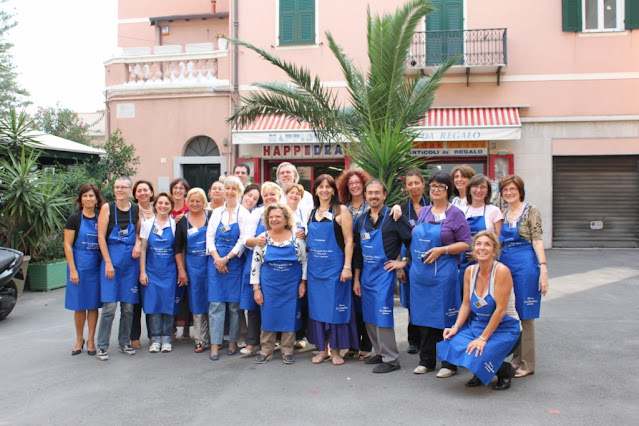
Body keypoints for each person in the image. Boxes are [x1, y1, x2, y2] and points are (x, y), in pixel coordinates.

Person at [438, 231, 521, 390]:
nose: (482, 248)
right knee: (452, 343)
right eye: (479, 244)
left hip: (505, 327)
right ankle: (480, 370)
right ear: (473, 249)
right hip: (479, 324)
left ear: (494, 251)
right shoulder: (470, 271)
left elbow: (501, 310)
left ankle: (504, 371)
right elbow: (466, 304)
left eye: (487, 245)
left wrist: (483, 338)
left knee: (478, 350)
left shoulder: (501, 271)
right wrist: (455, 327)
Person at [409, 171, 471, 378]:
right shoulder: (424, 212)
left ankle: (449, 363)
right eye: (434, 186)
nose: (436, 190)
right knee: (424, 318)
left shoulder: (456, 214)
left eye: (441, 187)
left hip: (444, 274)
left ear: (448, 190)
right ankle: (426, 360)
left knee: (445, 317)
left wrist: (442, 250)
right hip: (421, 274)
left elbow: (466, 243)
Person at [353, 179, 412, 373]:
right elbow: (358, 254)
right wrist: (356, 279)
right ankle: (378, 351)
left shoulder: (394, 217)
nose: (373, 196)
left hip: (384, 275)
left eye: (377, 192)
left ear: (384, 195)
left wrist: (404, 261)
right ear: (365, 195)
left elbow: (412, 239)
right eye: (370, 193)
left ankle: (391, 358)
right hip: (366, 275)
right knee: (369, 315)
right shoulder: (361, 220)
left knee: (383, 315)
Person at [499, 174, 549, 378]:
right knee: (511, 313)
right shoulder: (504, 213)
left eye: (513, 189)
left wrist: (543, 269)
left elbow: (537, 240)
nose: (509, 193)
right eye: (505, 190)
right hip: (506, 264)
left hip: (526, 265)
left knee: (526, 314)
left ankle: (528, 363)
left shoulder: (531, 210)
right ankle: (516, 360)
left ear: (520, 191)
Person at [306, 175, 357, 365]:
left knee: (335, 309)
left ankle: (336, 350)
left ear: (334, 190)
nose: (324, 190)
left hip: (336, 269)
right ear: (316, 190)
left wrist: (347, 267)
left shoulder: (341, 210)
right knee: (318, 310)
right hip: (315, 271)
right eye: (321, 187)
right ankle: (322, 349)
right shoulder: (312, 213)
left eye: (328, 187)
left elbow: (349, 241)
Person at [250, 204, 308, 364]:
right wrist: (256, 289)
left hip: (291, 286)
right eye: (271, 217)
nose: (274, 219)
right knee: (268, 317)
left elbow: (304, 262)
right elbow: (255, 266)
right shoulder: (262, 239)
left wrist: (303, 283)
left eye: (278, 216)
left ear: (286, 219)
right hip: (269, 287)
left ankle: (287, 350)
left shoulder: (297, 238)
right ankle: (266, 350)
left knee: (289, 317)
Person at [206, 177, 251, 360]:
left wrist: (227, 258)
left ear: (240, 192)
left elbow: (243, 239)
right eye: (228, 188)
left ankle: (233, 341)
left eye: (234, 188)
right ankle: (215, 344)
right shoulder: (217, 212)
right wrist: (218, 259)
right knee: (216, 305)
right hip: (216, 264)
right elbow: (209, 236)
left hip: (234, 263)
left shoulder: (244, 213)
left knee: (234, 306)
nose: (230, 191)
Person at [96, 177, 140, 361]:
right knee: (109, 308)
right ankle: (102, 346)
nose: (119, 190)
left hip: (130, 265)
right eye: (117, 187)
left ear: (130, 190)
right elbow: (100, 237)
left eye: (123, 187)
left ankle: (124, 342)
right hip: (111, 264)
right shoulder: (108, 208)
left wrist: (137, 243)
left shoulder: (136, 209)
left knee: (128, 308)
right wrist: (107, 262)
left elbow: (138, 232)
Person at [390, 169, 431, 355]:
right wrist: (400, 266)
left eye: (417, 182)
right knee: (413, 302)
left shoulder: (433, 204)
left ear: (423, 183)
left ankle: (431, 338)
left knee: (431, 300)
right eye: (410, 183)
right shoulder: (400, 209)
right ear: (405, 187)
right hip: (409, 262)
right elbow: (396, 240)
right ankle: (413, 339)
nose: (414, 187)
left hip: (431, 259)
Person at [240, 182, 282, 356]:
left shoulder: (285, 212)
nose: (269, 197)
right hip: (257, 263)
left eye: (273, 194)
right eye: (266, 195)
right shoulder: (256, 214)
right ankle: (252, 342)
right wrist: (256, 241)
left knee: (278, 302)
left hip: (279, 265)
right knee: (254, 304)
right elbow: (246, 240)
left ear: (279, 196)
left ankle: (278, 340)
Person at [64, 183, 105, 356]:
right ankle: (79, 338)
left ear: (97, 200)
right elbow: (67, 244)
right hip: (78, 266)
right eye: (85, 196)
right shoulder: (74, 219)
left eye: (91, 196)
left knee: (93, 305)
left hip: (96, 267)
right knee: (79, 306)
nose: (88, 199)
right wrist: (73, 269)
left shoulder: (101, 219)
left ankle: (91, 340)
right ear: (81, 199)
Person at [336, 169, 373, 360]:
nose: (355, 185)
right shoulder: (342, 207)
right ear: (345, 187)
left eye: (358, 182)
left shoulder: (373, 205)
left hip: (369, 259)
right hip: (347, 259)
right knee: (350, 303)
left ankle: (366, 343)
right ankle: (353, 343)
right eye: (351, 183)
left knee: (363, 303)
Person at [139, 193, 179, 353]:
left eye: (166, 204)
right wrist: (142, 272)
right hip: (152, 271)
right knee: (153, 305)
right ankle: (155, 339)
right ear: (155, 205)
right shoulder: (147, 224)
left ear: (171, 207)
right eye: (160, 203)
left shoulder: (175, 225)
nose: (163, 206)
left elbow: (178, 250)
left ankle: (167, 338)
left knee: (168, 306)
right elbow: (142, 249)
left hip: (170, 272)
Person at [175, 188, 212, 353]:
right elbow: (177, 248)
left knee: (213, 301)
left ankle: (214, 338)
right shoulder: (182, 221)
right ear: (187, 202)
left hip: (211, 265)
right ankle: (200, 339)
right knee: (197, 303)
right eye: (192, 201)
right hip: (193, 267)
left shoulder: (212, 217)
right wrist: (181, 270)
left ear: (204, 202)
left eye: (198, 201)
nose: (195, 204)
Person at [458, 174, 504, 296]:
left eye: (483, 187)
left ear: (488, 191)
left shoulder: (493, 211)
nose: (479, 190)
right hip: (464, 261)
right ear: (469, 189)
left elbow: (499, 240)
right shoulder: (461, 211)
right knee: (465, 297)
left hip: (486, 262)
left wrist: (479, 254)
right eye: (475, 186)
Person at [130, 179, 155, 349]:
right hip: (136, 256)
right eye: (139, 191)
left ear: (151, 192)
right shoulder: (131, 210)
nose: (143, 193)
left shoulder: (160, 208)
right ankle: (134, 335)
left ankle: (154, 334)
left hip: (156, 259)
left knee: (152, 297)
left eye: (145, 190)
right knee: (135, 299)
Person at [170, 177, 192, 340]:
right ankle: (171, 327)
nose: (178, 190)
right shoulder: (165, 207)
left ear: (186, 191)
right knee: (171, 292)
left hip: (184, 253)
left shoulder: (190, 209)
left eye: (181, 188)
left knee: (186, 292)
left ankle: (186, 327)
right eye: (175, 188)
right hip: (165, 255)